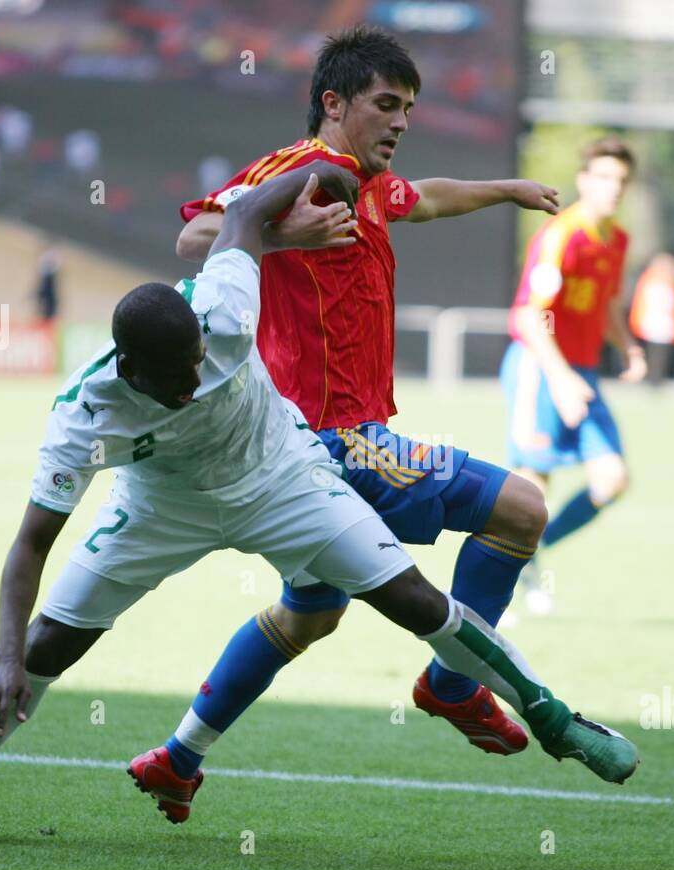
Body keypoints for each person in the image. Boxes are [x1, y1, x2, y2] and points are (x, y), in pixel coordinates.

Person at [0, 161, 638, 840]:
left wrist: (322, 174)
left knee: (413, 599)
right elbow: (31, 544)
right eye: (173, 378)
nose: (192, 383)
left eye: (197, 364)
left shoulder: (222, 308)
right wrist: (4, 657)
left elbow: (244, 215)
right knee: (46, 647)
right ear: (128, 369)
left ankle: (551, 718)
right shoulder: (85, 416)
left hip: (284, 476)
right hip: (163, 507)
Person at [175, 25, 562, 757]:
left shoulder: (367, 180)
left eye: (409, 108)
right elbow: (196, 240)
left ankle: (178, 756)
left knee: (309, 614)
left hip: (301, 449)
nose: (402, 121)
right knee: (521, 508)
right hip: (335, 438)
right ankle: (451, 685)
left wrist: (508, 190)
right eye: (387, 103)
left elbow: (431, 200)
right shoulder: (300, 167)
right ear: (333, 102)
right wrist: (288, 234)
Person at [500, 136, 645, 614]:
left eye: (620, 180)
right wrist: (559, 377)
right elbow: (529, 316)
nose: (612, 188)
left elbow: (606, 304)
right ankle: (497, 586)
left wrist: (627, 347)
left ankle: (531, 556)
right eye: (603, 177)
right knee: (531, 493)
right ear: (584, 181)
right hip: (540, 368)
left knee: (613, 478)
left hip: (580, 373)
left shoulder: (618, 241)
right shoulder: (562, 235)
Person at [630, 252, 674, 386]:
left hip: (662, 325)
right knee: (652, 355)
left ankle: (655, 380)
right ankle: (650, 380)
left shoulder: (667, 284)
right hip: (653, 324)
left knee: (659, 356)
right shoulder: (651, 282)